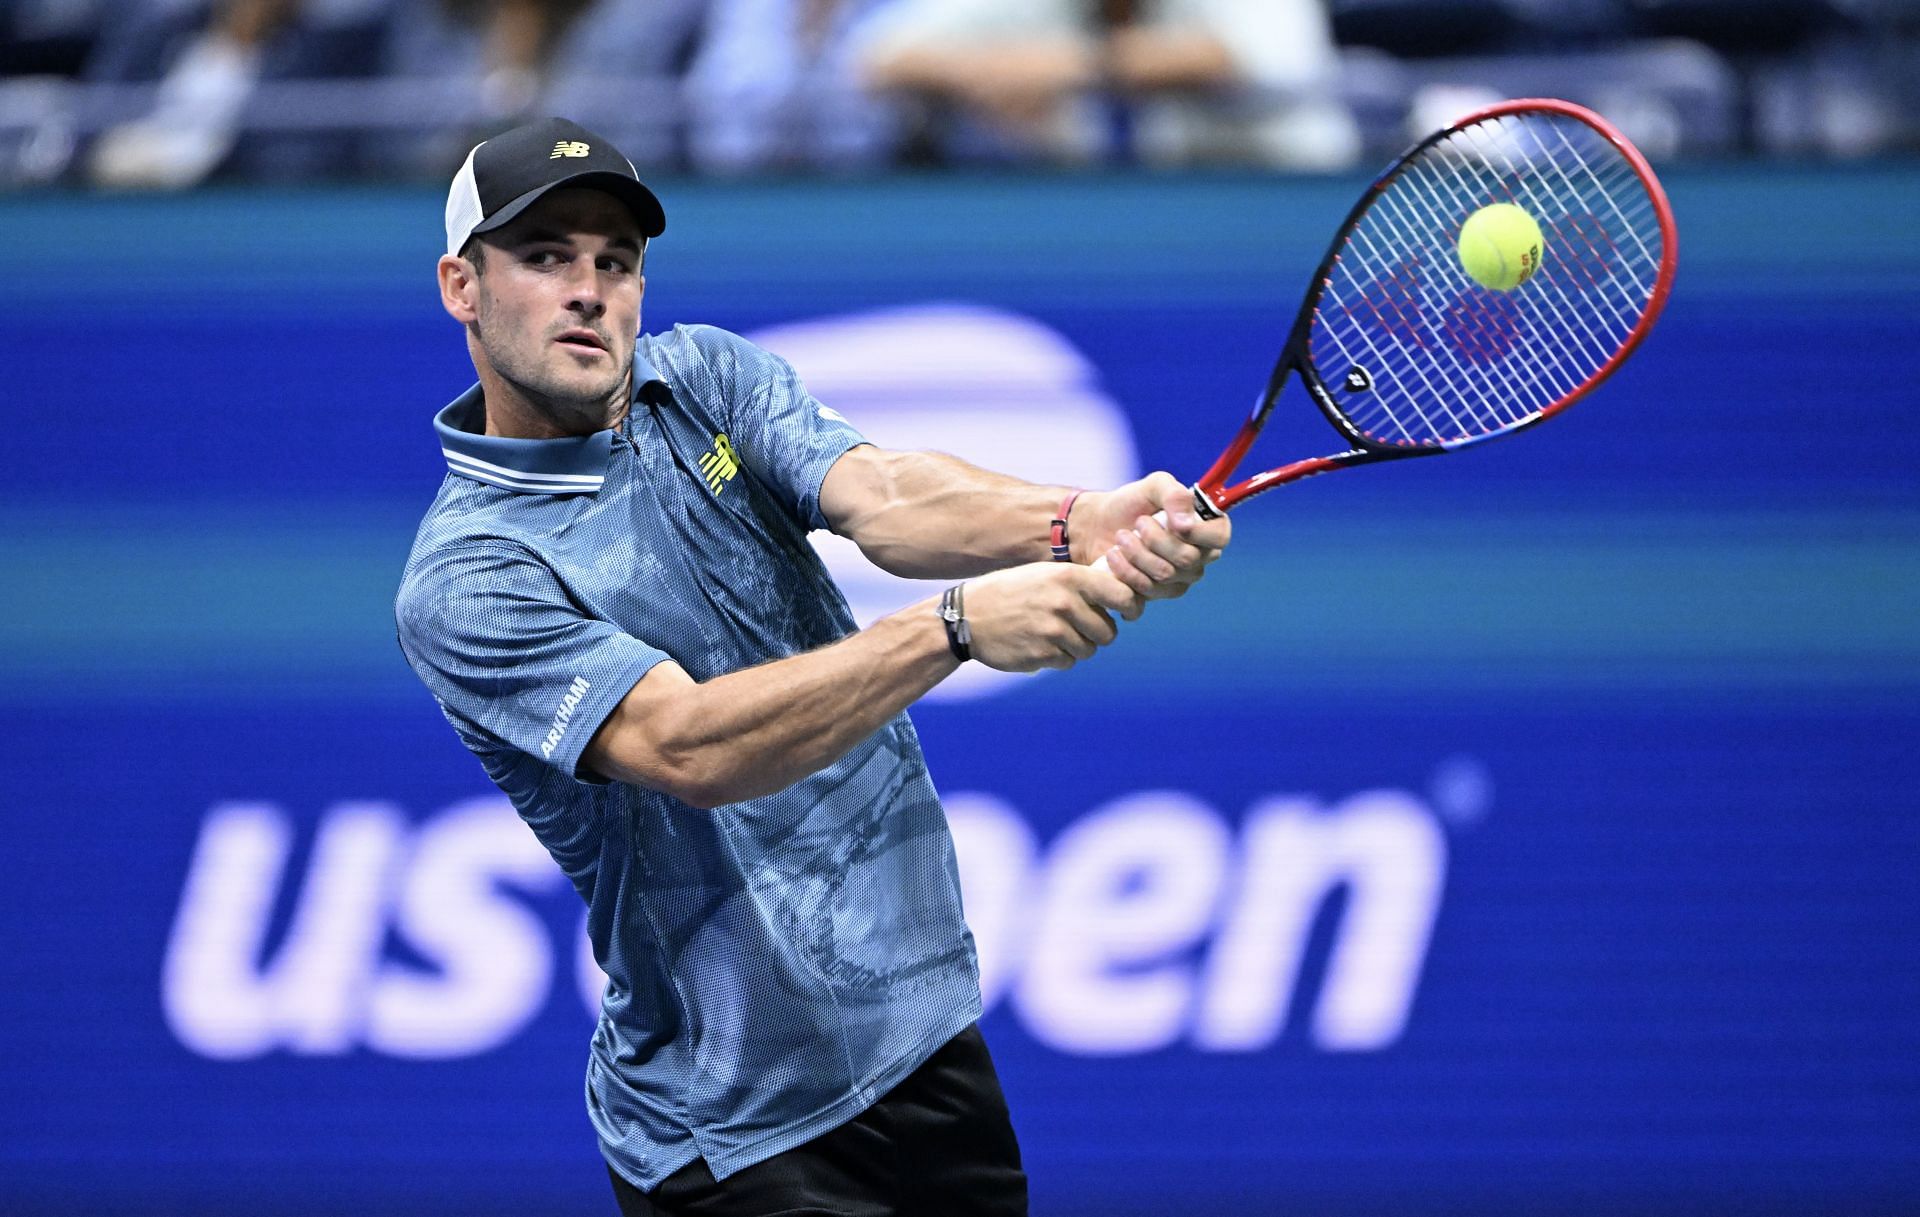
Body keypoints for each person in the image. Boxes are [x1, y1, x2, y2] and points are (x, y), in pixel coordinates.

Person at [394, 116, 1230, 1217]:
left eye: (616, 260)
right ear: (463, 286)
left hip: (922, 1034)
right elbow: (684, 743)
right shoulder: (470, 574)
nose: (589, 289)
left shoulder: (704, 379)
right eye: (545, 257)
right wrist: (954, 628)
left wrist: (1075, 518)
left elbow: (882, 495)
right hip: (735, 1126)